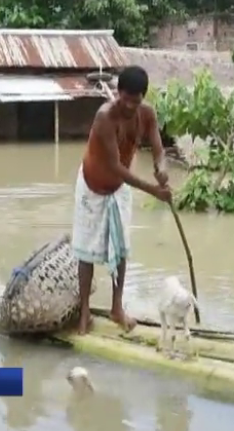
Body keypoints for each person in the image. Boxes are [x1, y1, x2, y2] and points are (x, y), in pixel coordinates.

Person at [71, 65, 171, 335]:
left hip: (118, 188)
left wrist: (161, 170)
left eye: (135, 101)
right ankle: (84, 313)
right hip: (92, 187)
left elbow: (159, 150)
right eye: (125, 99)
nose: (129, 106)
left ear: (142, 98)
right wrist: (154, 191)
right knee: (86, 252)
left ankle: (117, 308)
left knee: (122, 249)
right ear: (118, 93)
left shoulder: (147, 114)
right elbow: (116, 166)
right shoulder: (105, 117)